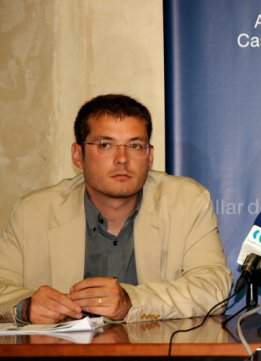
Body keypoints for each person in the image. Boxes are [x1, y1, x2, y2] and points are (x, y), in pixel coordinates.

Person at [0, 94, 232, 324]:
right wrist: (25, 306)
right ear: (78, 155)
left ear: (149, 157)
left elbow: (213, 286)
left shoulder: (186, 201)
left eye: (134, 145)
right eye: (105, 145)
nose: (122, 159)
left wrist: (132, 302)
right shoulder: (34, 212)